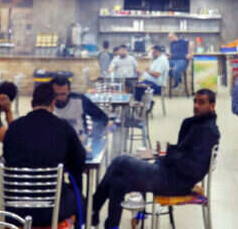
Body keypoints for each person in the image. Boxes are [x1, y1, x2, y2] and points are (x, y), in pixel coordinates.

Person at [92, 89, 220, 229]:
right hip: (169, 174)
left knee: (121, 161)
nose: (196, 106)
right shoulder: (195, 124)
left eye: (201, 102)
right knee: (118, 181)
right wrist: (167, 155)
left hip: (175, 183)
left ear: (212, 106)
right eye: (195, 101)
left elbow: (193, 169)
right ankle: (110, 225)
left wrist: (170, 153)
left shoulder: (208, 132)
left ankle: (92, 208)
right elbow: (182, 154)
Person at [3, 83, 86, 227]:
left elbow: (7, 157)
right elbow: (79, 159)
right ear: (53, 103)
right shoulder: (63, 127)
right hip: (51, 210)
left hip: (15, 210)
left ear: (31, 103)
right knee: (81, 199)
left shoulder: (14, 127)